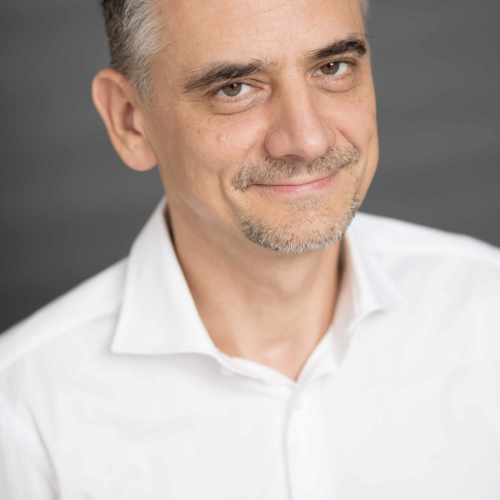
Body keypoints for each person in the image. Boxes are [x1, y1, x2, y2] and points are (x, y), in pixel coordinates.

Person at [1, 0, 499, 497]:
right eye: (234, 88)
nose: (307, 140)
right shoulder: (22, 416)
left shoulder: (486, 311)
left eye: (332, 67)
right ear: (129, 120)